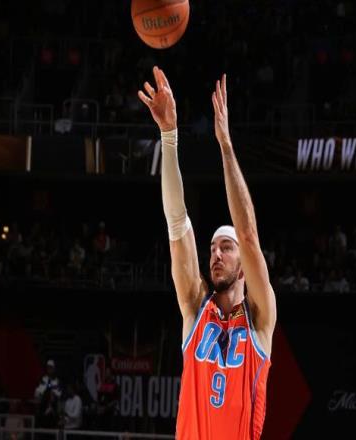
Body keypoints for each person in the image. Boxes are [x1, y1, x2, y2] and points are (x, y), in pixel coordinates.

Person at [138, 67, 277, 439]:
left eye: (225, 248)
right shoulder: (195, 307)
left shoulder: (260, 319)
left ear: (243, 267)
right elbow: (176, 221)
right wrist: (169, 135)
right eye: (213, 248)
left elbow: (248, 235)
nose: (216, 254)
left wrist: (225, 145)